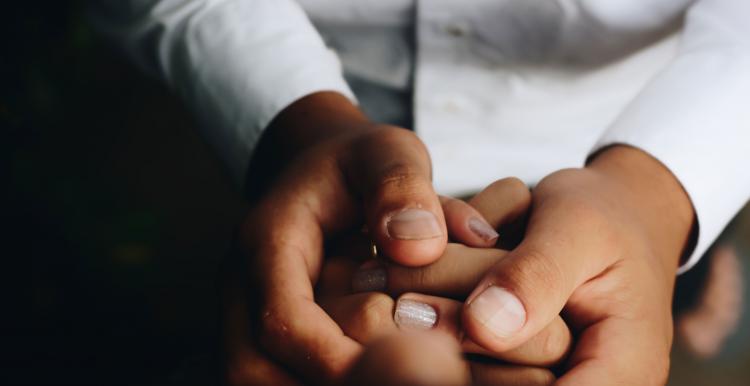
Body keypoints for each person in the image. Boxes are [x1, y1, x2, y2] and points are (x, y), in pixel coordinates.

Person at [90, 1, 750, 385]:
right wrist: (298, 128)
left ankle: (692, 278)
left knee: (655, 280)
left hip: (632, 124)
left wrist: (659, 194)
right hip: (299, 141)